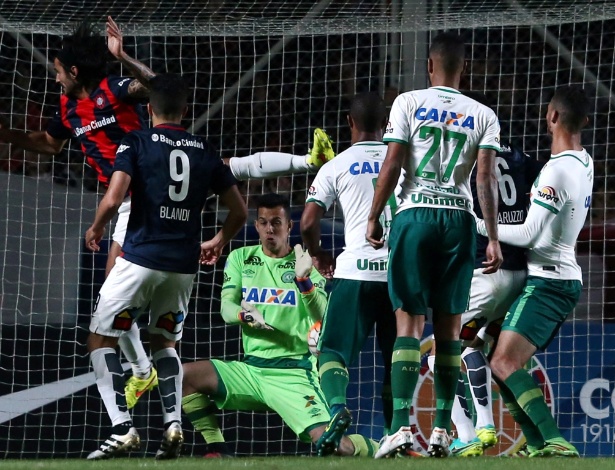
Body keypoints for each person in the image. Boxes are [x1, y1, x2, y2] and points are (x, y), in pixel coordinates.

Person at [0, 18, 335, 410]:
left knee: (114, 296)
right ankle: (144, 371)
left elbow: (161, 86)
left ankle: (142, 372)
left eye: (57, 72)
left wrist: (122, 56)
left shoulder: (115, 89)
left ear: (74, 71)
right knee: (222, 171)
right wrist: (6, 134)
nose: (55, 79)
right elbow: (48, 143)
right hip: (136, 197)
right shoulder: (68, 108)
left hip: (148, 187)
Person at [83, 73, 247, 460]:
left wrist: (96, 227)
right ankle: (173, 424)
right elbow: (239, 210)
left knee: (99, 339)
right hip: (183, 266)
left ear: (148, 108)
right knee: (165, 342)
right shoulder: (204, 149)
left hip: (139, 258)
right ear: (185, 110)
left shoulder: (136, 140)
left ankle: (122, 428)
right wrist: (219, 241)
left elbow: (114, 196)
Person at [366, 32, 503, 458]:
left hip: (415, 214)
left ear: (430, 65)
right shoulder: (483, 113)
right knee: (449, 329)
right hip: (460, 220)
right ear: (464, 68)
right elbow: (484, 178)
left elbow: (392, 161)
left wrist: (374, 215)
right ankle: (443, 430)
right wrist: (493, 236)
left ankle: (399, 428)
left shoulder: (407, 102)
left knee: (409, 325)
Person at [182, 193, 379, 458]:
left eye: (276, 222)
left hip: (293, 372)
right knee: (182, 377)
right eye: (263, 222)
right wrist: (245, 315)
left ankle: (386, 448)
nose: (269, 229)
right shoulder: (242, 258)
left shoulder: (308, 263)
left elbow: (322, 315)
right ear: (256, 227)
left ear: (289, 226)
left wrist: (304, 281)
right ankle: (217, 448)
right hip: (251, 371)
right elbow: (226, 307)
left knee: (335, 447)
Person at [424, 91, 546, 457]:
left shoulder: (469, 158)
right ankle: (533, 439)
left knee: (440, 355)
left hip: (487, 273)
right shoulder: (520, 157)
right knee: (481, 348)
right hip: (520, 273)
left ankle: (476, 432)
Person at [475, 85, 593, 458]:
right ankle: (539, 445)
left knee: (503, 361)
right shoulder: (585, 161)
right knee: (500, 362)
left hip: (549, 281)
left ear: (551, 116)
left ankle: (553, 439)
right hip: (558, 276)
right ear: (585, 122)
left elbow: (527, 234)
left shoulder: (556, 171)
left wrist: (478, 224)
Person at [300, 92, 398, 456]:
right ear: (387, 123)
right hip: (396, 277)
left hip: (354, 271)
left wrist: (317, 253)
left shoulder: (336, 165)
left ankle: (339, 408)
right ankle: (394, 434)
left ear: (349, 122)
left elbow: (308, 221)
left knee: (332, 352)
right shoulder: (402, 161)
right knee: (396, 359)